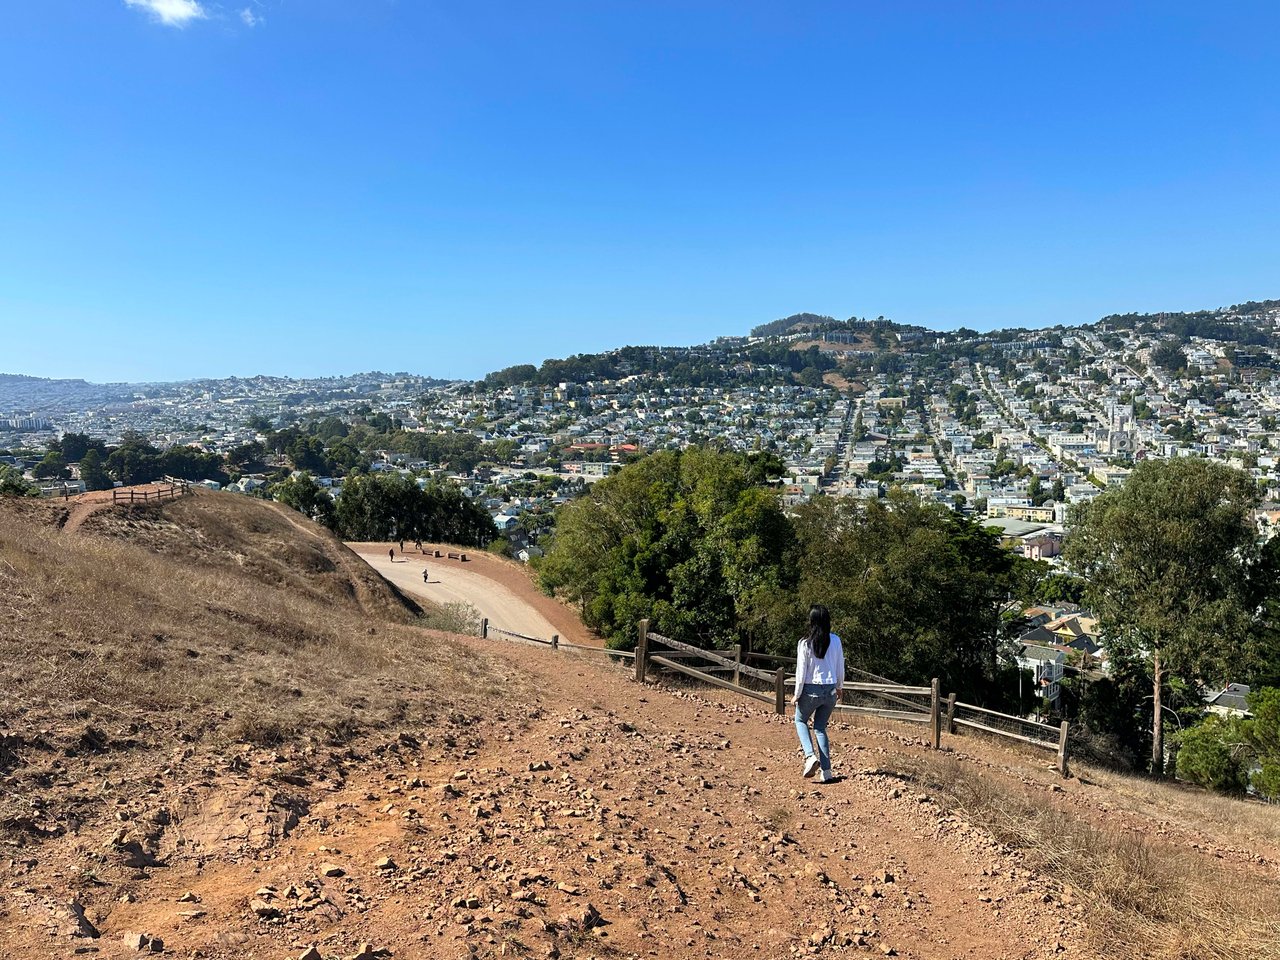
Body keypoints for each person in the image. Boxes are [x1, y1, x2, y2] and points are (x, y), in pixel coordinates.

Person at [792, 604, 844, 783]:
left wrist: (797, 694)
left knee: (800, 720)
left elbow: (801, 671)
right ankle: (827, 772)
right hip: (830, 691)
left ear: (812, 621)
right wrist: (839, 687)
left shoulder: (805, 643)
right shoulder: (836, 641)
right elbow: (840, 666)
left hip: (810, 689)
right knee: (820, 728)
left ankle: (809, 756)